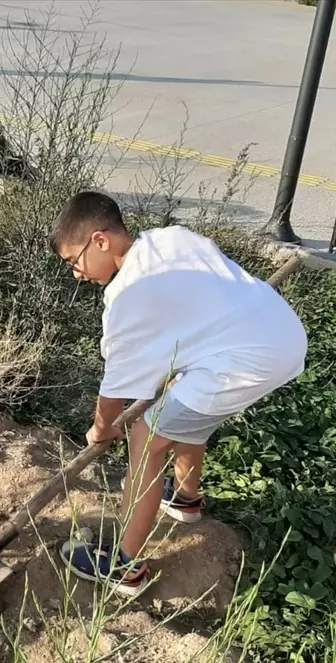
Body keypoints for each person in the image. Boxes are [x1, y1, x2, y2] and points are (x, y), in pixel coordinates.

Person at [51, 191, 307, 597]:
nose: (76, 273)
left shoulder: (126, 297)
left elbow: (114, 390)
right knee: (184, 397)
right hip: (279, 329)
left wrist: (101, 431)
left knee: (146, 439)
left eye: (73, 260)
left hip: (248, 357)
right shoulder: (169, 238)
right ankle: (185, 499)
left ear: (100, 240)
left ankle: (124, 566)